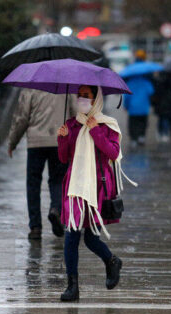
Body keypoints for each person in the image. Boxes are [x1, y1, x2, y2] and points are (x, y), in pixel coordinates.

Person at [57, 85, 135, 301]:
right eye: (79, 96)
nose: (82, 100)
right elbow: (64, 159)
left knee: (91, 238)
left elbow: (113, 152)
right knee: (71, 235)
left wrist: (95, 130)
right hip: (75, 187)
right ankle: (72, 286)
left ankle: (111, 261)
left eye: (86, 96)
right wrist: (63, 138)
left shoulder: (107, 124)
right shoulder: (72, 124)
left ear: (96, 99)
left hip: (98, 187)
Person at [8, 89, 76, 240]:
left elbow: (21, 118)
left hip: (35, 143)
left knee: (33, 183)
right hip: (60, 141)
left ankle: (35, 227)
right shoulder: (66, 88)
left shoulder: (30, 89)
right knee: (58, 180)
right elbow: (75, 115)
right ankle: (56, 210)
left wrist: (13, 142)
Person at [123, 50, 155, 148]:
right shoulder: (146, 82)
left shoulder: (130, 83)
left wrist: (126, 106)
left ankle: (134, 138)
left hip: (133, 108)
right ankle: (141, 136)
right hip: (144, 107)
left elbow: (126, 96)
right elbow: (151, 92)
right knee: (143, 122)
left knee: (132, 123)